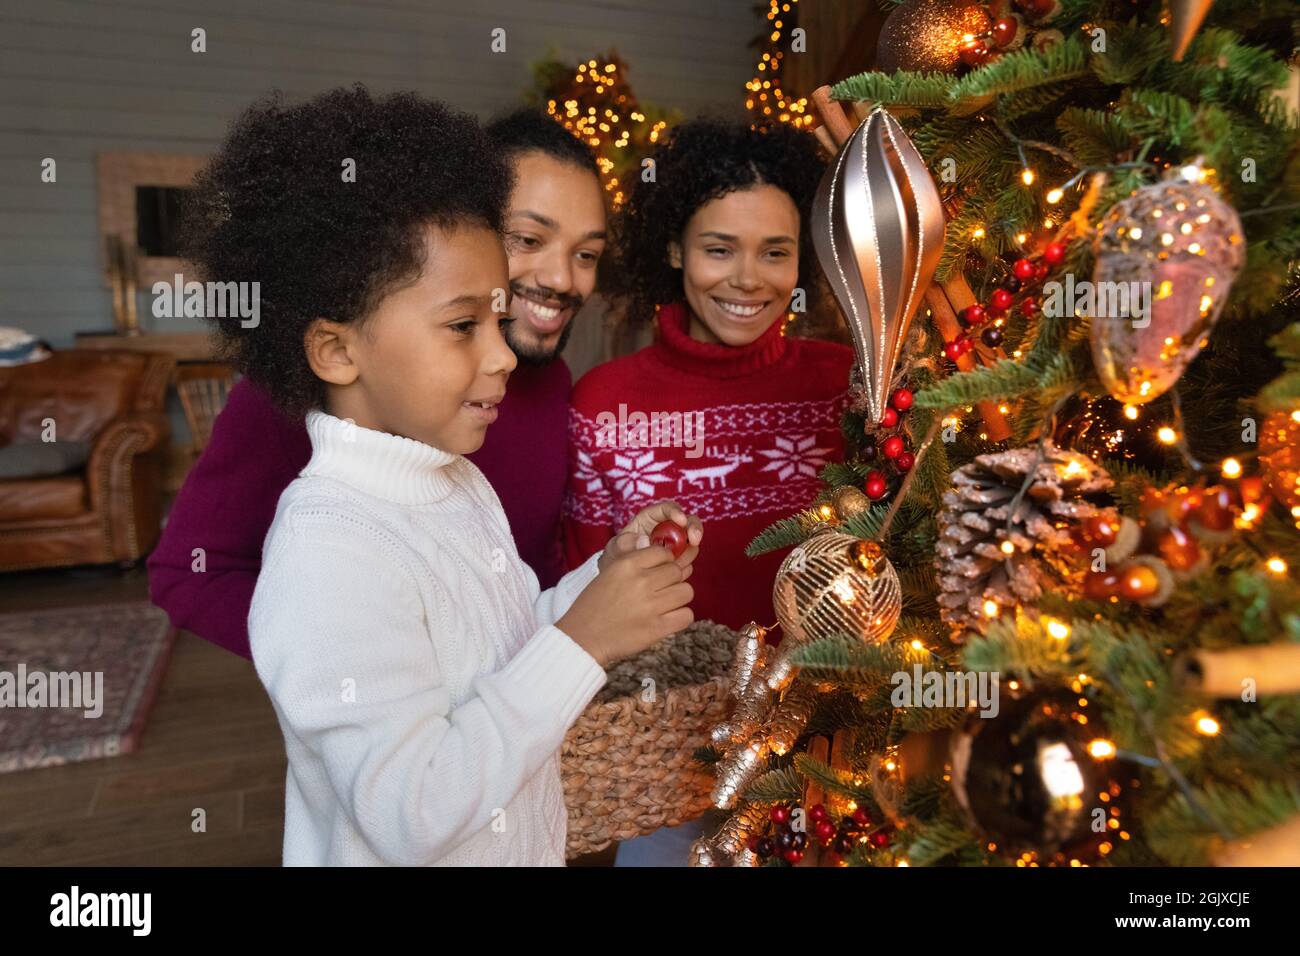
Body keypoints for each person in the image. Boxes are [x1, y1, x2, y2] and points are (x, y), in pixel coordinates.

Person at [183, 85, 701, 865]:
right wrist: (584, 642)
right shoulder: (329, 552)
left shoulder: (456, 479)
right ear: (336, 351)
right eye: (464, 326)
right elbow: (413, 810)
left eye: (497, 323)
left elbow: (506, 638)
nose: (500, 354)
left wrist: (603, 580)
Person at [148, 108, 608, 658]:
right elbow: (191, 571)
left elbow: (524, 575)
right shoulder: (309, 388)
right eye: (529, 239)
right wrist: (364, 661)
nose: (561, 278)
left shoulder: (554, 383)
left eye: (587, 254)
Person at [564, 119, 855, 633]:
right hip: (662, 705)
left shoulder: (846, 385)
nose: (747, 279)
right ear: (676, 250)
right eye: (719, 250)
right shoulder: (602, 404)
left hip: (828, 703)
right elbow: (581, 597)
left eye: (775, 253)